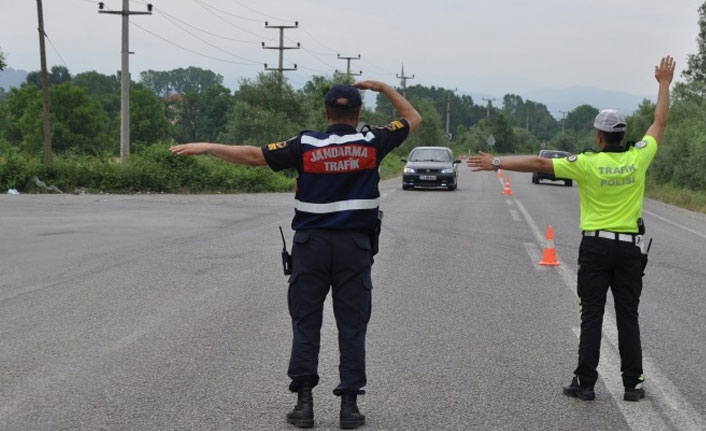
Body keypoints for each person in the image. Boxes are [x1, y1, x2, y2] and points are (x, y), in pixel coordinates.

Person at [171, 81, 421, 428]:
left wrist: (210, 146)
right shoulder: (373, 142)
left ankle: (304, 406)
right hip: (354, 248)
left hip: (311, 247)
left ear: (325, 112)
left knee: (306, 323)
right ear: (358, 114)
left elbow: (255, 156)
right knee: (352, 326)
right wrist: (383, 87)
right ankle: (349, 407)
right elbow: (412, 117)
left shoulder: (305, 144)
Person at [467, 56, 675, 402]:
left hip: (595, 248)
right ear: (624, 134)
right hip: (628, 249)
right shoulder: (638, 157)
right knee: (628, 316)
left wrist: (497, 163)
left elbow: (539, 163)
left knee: (591, 314)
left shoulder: (588, 164)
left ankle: (586, 383)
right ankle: (633, 384)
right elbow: (660, 123)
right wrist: (664, 83)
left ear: (598, 137)